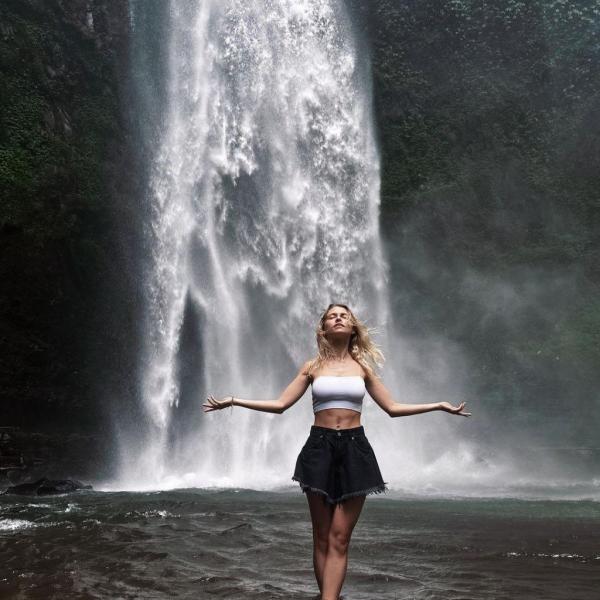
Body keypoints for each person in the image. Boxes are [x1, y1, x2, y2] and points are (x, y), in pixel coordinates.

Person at [203, 303, 470, 600]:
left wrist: (438, 405)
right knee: (321, 537)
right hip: (319, 447)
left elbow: (393, 409)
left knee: (339, 538)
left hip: (356, 450)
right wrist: (234, 401)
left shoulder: (362, 368)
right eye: (332, 316)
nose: (339, 318)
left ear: (353, 327)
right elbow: (280, 405)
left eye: (344, 315)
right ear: (324, 329)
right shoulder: (312, 366)